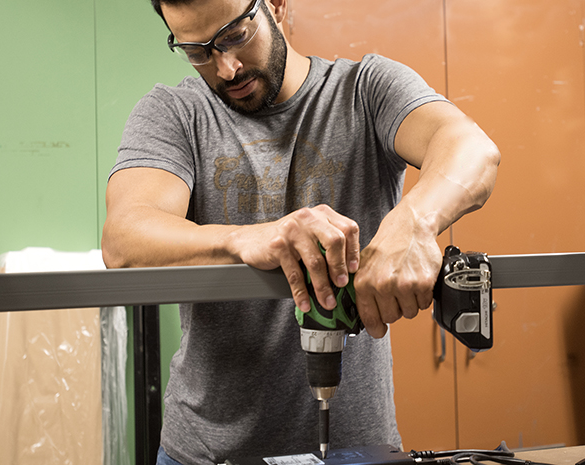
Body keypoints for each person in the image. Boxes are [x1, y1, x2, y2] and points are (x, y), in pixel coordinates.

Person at [102, 0, 500, 463]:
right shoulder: (174, 113)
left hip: (357, 449)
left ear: (275, 4)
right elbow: (124, 238)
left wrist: (413, 223)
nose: (226, 67)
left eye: (235, 35)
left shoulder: (365, 89)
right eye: (198, 50)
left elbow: (472, 148)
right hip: (205, 452)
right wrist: (244, 238)